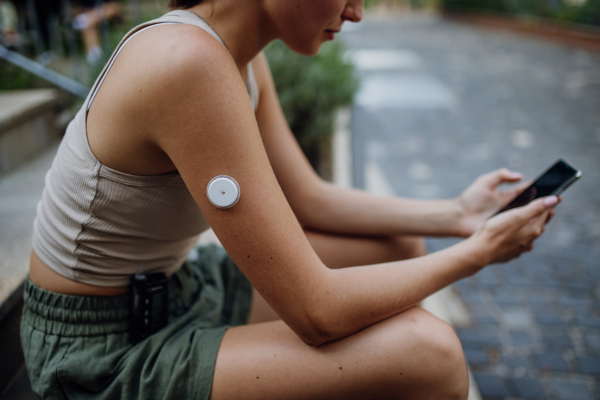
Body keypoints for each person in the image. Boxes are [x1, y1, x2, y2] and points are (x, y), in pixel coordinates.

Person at [21, 0, 559, 399]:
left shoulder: (236, 56)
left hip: (176, 292)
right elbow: (317, 312)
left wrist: (457, 217)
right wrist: (476, 254)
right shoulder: (186, 62)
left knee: (395, 245)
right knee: (429, 353)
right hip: (101, 351)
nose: (356, 12)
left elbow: (308, 198)